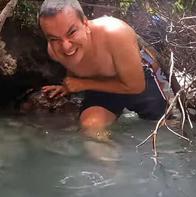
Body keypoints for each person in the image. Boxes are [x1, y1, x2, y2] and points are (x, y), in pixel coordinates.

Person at [39, 0, 167, 140]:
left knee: (162, 126)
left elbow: (136, 86)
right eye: (54, 39)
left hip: (136, 80)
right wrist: (67, 87)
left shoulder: (115, 33)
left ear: (86, 24)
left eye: (72, 32)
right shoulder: (55, 51)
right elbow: (74, 64)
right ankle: (110, 160)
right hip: (101, 86)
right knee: (91, 127)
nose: (65, 46)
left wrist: (83, 85)